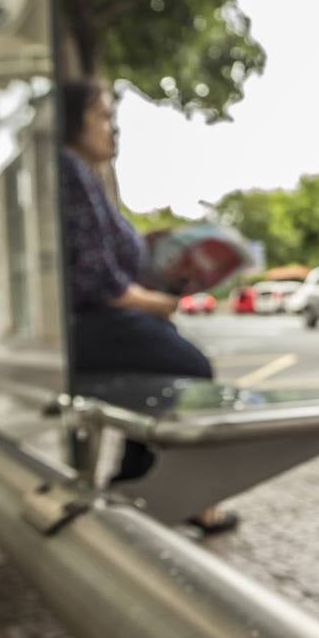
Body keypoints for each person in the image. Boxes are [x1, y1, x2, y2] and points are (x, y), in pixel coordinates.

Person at [59, 79, 237, 535]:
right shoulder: (70, 170)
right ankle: (153, 486)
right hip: (89, 323)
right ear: (74, 119)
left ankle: (137, 480)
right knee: (189, 366)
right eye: (102, 117)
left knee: (171, 355)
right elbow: (105, 286)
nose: (111, 129)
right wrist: (162, 302)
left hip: (96, 320)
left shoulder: (85, 176)